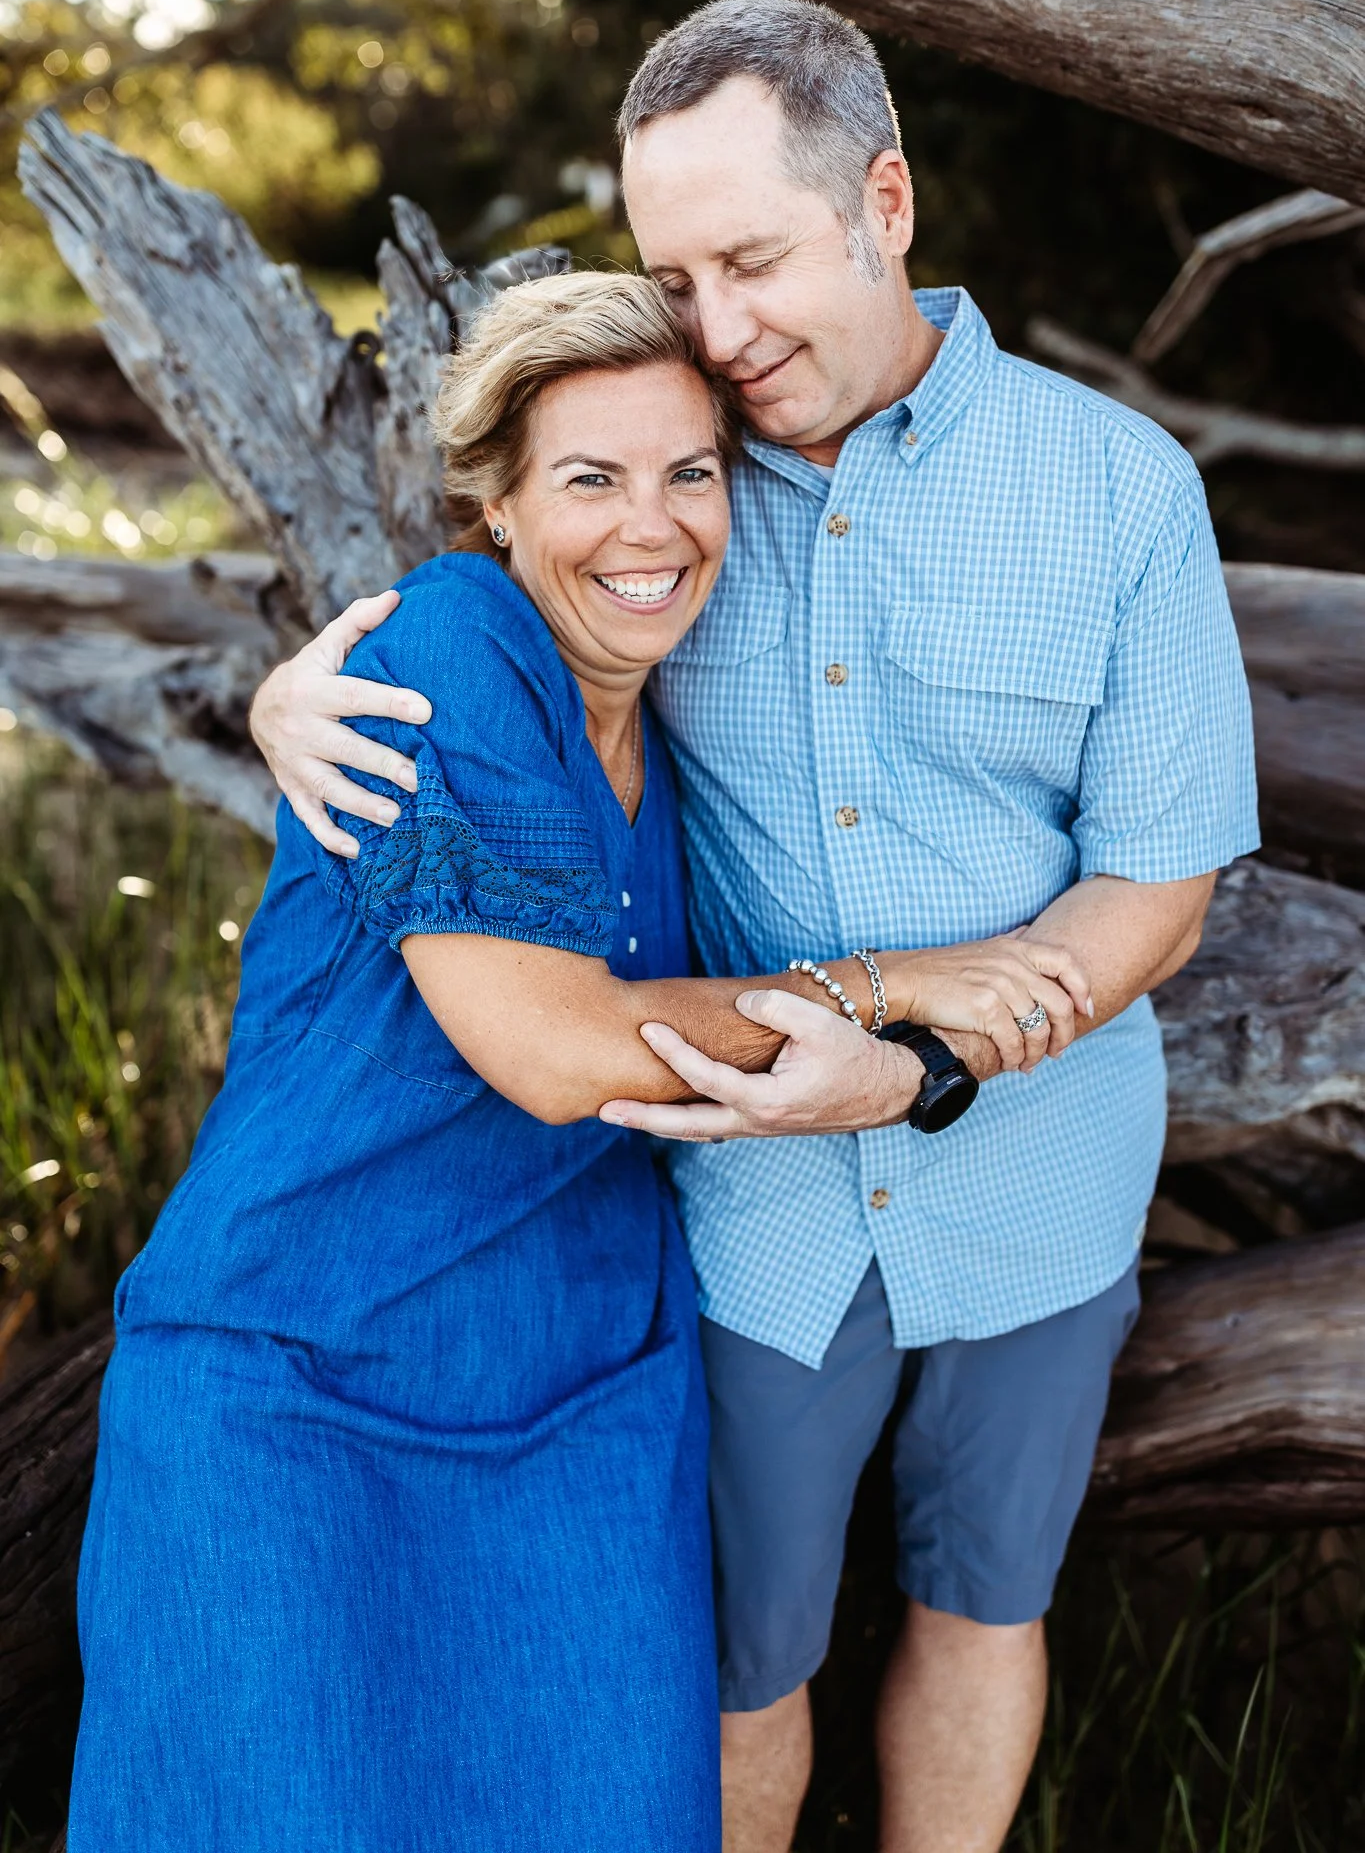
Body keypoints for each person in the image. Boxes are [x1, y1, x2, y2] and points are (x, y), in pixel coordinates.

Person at [251, 0, 1259, 1853]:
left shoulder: (1120, 491)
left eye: (751, 259)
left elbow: (1160, 884)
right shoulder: (676, 466)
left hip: (1040, 1172)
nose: (716, 329)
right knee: (739, 1653)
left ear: (883, 199)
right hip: (749, 1197)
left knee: (985, 1598)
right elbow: (498, 626)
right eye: (674, 272)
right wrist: (281, 700)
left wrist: (927, 1056)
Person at [70, 267, 1086, 1853]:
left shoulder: (679, 693)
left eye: (691, 473)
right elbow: (555, 1051)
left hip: (579, 1396)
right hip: (301, 1383)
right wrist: (904, 990)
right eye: (590, 479)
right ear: (498, 499)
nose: (651, 526)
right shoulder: (451, 654)